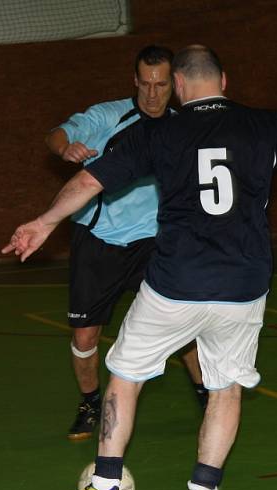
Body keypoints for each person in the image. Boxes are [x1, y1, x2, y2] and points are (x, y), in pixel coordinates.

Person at [4, 45, 277, 490]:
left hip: (177, 282)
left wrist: (44, 222)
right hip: (245, 286)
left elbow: (88, 181)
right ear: (223, 80)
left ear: (179, 87)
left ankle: (104, 484)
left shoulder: (161, 131)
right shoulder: (268, 124)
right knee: (226, 388)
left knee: (125, 374)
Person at [44, 45, 208, 441]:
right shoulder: (107, 116)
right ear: (135, 81)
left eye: (162, 85)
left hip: (154, 241)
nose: (152, 94)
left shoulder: (182, 127)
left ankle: (207, 395)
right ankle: (90, 402)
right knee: (85, 335)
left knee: (182, 326)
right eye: (145, 84)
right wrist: (65, 147)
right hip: (99, 238)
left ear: (176, 84)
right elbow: (56, 134)